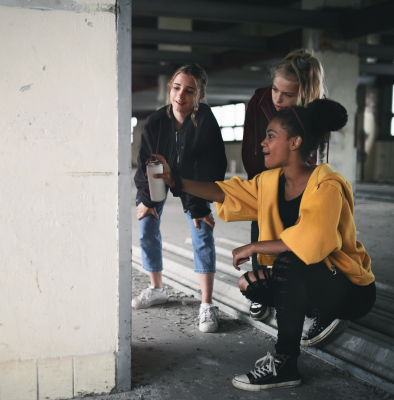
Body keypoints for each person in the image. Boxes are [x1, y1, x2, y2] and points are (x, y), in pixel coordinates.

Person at [152, 99, 376, 390]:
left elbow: (311, 244)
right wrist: (176, 181)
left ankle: (285, 364)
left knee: (289, 262)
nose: (262, 143)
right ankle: (319, 311)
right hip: (318, 278)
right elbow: (225, 191)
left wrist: (254, 247)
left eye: (271, 136)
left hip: (351, 289)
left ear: (295, 142)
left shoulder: (327, 184)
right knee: (251, 284)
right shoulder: (270, 182)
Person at [133, 64, 227, 333]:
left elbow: (212, 167)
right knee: (146, 223)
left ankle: (207, 304)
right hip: (159, 177)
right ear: (170, 88)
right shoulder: (154, 122)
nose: (180, 95)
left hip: (191, 180)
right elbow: (144, 165)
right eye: (176, 88)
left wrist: (197, 206)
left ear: (201, 95)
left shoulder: (206, 121)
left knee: (202, 228)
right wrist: (147, 201)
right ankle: (157, 287)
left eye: (189, 90)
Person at [241, 49, 327, 321]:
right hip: (265, 178)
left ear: (304, 92)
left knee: (301, 238)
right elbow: (251, 146)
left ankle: (305, 293)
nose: (277, 99)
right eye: (275, 89)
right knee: (263, 232)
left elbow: (320, 154)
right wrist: (263, 184)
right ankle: (262, 293)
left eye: (287, 95)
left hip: (301, 181)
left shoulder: (317, 110)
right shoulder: (260, 99)